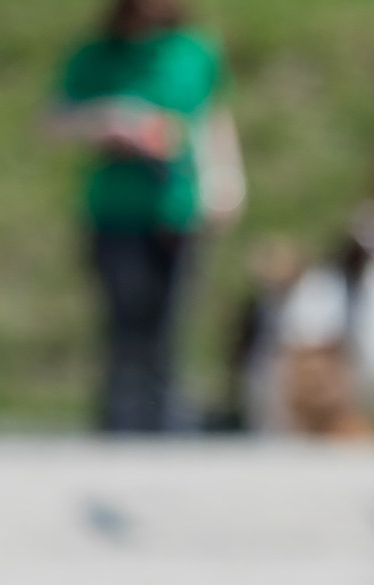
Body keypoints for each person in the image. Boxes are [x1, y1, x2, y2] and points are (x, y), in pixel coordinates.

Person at [45, 0, 243, 433]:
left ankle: (164, 416)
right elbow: (54, 120)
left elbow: (212, 117)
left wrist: (226, 177)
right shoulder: (96, 53)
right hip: (117, 207)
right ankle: (119, 417)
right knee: (124, 313)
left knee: (172, 315)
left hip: (177, 202)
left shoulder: (195, 49)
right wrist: (107, 121)